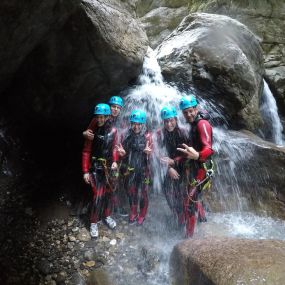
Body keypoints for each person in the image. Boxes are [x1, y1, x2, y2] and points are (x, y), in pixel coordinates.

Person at [177, 95, 214, 238]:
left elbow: (209, 149)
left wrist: (197, 156)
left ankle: (189, 237)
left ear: (196, 109)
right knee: (193, 194)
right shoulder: (193, 124)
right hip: (196, 166)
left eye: (191, 111)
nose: (188, 114)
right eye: (185, 112)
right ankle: (202, 217)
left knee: (188, 202)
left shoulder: (202, 124)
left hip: (202, 168)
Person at [82, 103, 119, 238]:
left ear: (108, 117)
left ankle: (107, 215)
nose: (100, 120)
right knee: (97, 196)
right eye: (98, 117)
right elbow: (86, 151)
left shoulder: (113, 131)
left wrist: (115, 160)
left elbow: (114, 147)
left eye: (103, 117)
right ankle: (93, 222)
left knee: (109, 194)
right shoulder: (92, 132)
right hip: (96, 167)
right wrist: (85, 171)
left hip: (109, 168)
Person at [115, 110, 152, 225]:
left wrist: (149, 153)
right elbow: (123, 153)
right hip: (130, 169)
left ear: (142, 124)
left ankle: (142, 214)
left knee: (144, 193)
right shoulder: (126, 136)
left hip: (144, 170)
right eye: (134, 124)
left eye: (138, 124)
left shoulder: (148, 136)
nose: (136, 126)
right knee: (132, 192)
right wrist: (121, 155)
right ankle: (133, 212)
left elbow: (155, 155)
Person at [156, 106, 189, 227]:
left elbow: (188, 154)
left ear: (176, 119)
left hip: (184, 166)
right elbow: (158, 154)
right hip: (169, 168)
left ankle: (187, 215)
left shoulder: (183, 133)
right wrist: (169, 168)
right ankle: (177, 215)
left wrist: (174, 162)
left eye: (171, 120)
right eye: (166, 121)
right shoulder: (160, 134)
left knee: (183, 193)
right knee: (168, 191)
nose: (169, 124)